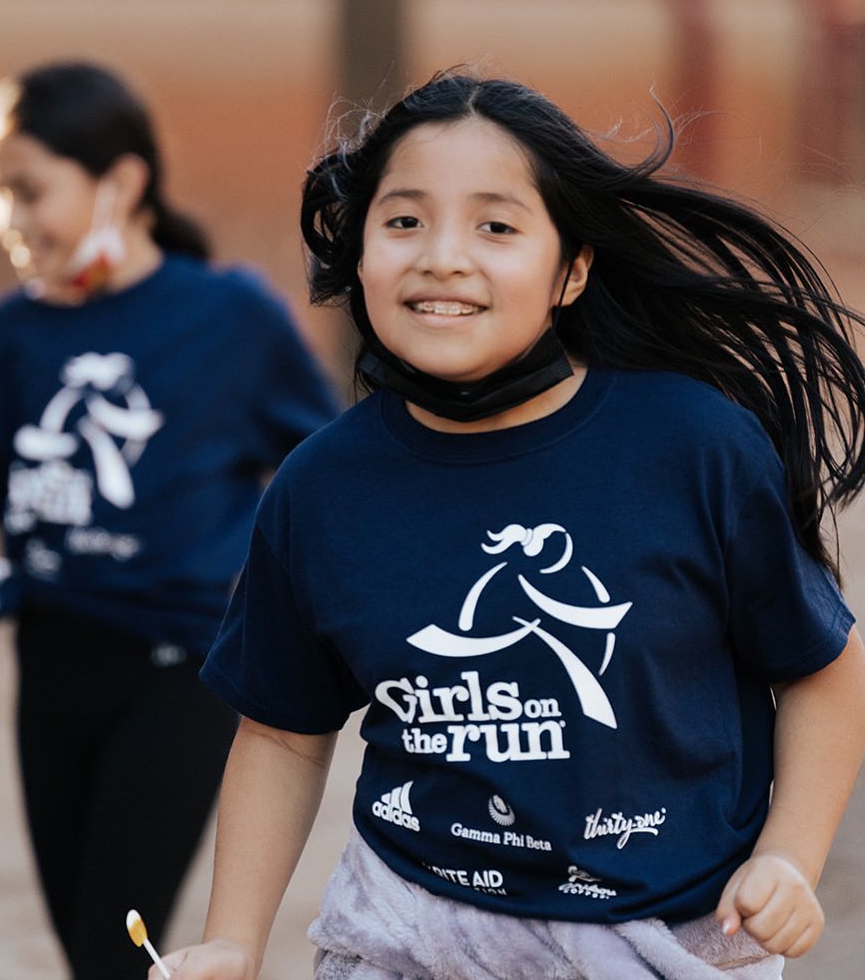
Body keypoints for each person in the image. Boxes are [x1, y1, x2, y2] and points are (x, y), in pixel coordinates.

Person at [161, 71, 865, 980]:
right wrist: (233, 940)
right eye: (404, 220)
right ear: (361, 254)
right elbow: (283, 735)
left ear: (571, 269)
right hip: (411, 925)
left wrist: (789, 858)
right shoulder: (320, 487)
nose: (442, 256)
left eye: (496, 226)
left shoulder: (693, 446)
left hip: (668, 933)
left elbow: (823, 669)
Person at [0, 60, 339, 980]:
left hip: (180, 674)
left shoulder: (231, 318)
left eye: (27, 190)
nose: (8, 218)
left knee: (106, 950)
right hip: (50, 666)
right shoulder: (11, 337)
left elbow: (333, 479)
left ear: (121, 183)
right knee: (93, 954)